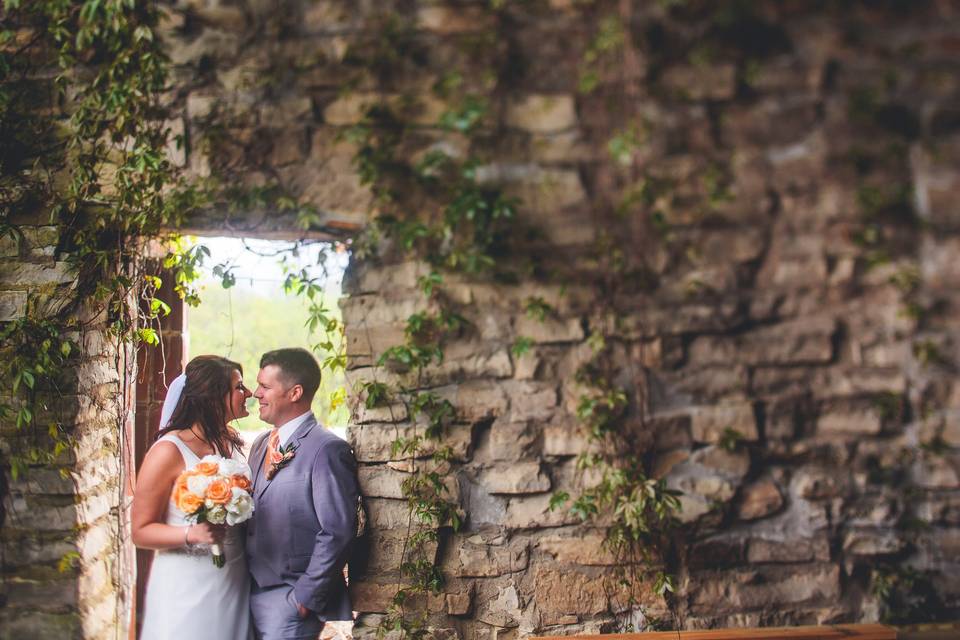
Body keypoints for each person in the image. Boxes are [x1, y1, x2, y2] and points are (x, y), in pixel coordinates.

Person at [132, 355, 254, 640]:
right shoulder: (168, 451)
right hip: (187, 581)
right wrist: (192, 533)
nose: (248, 393)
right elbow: (140, 532)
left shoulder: (230, 440)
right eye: (239, 387)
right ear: (213, 397)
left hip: (233, 575)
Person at [247, 347, 359, 640]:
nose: (256, 393)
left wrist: (305, 598)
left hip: (290, 602)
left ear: (295, 393)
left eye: (265, 387)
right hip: (246, 591)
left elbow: (336, 530)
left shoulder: (326, 449)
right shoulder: (260, 444)